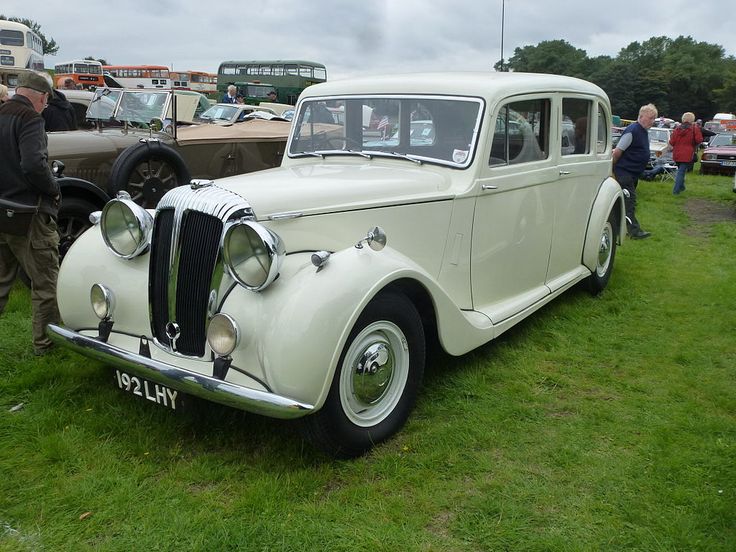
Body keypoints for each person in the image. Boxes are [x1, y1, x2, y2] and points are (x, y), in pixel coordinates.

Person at [0, 71, 61, 355]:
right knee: (46, 281)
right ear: (41, 96)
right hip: (28, 213)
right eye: (45, 103)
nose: (44, 107)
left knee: (2, 280)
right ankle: (46, 345)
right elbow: (34, 165)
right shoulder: (31, 119)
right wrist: (53, 190)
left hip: (1, 208)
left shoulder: (2, 112)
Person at [612, 103, 658, 239]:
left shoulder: (642, 131)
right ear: (642, 116)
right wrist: (611, 169)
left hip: (632, 174)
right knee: (629, 202)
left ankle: (620, 228)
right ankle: (634, 232)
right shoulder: (632, 130)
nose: (652, 121)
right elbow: (618, 151)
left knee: (626, 202)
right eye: (650, 118)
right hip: (624, 173)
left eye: (654, 118)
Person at [668, 112, 703, 195]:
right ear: (692, 119)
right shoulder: (694, 128)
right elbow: (699, 140)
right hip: (687, 153)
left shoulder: (677, 129)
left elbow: (672, 142)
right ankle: (675, 191)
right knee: (681, 172)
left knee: (681, 171)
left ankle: (682, 187)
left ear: (683, 119)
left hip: (677, 153)